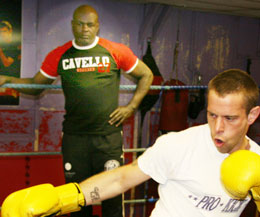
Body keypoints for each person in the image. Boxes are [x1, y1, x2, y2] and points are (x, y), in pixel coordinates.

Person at [1, 68, 260, 217]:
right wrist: (63, 197)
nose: (218, 127)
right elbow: (121, 179)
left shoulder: (257, 161)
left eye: (230, 118)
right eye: (212, 115)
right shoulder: (179, 145)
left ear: (252, 115)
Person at [0, 5, 153, 217]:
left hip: (107, 138)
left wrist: (131, 107)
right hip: (75, 138)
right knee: (76, 198)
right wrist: (9, 79)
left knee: (113, 198)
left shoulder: (114, 50)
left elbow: (146, 75)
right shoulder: (60, 55)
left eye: (90, 24)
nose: (84, 29)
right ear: (73, 25)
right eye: (80, 24)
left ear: (97, 26)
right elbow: (36, 85)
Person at [0, 20, 21, 105]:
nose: (3, 34)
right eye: (1, 32)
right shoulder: (4, 45)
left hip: (13, 82)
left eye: (4, 31)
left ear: (10, 31)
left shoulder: (15, 45)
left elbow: (7, 63)